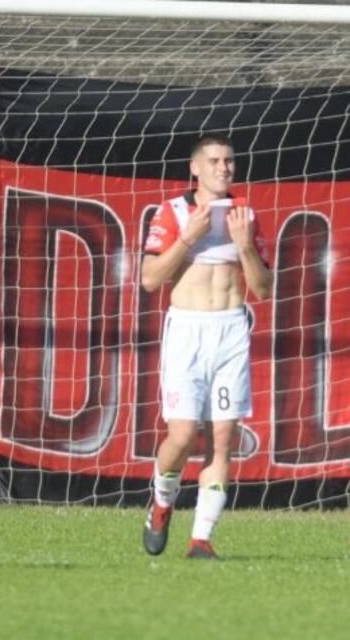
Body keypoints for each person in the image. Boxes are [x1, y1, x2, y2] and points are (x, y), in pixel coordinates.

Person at [140, 132, 272, 559]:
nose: (223, 168)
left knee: (223, 436)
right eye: (214, 161)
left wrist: (246, 246)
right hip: (187, 332)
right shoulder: (175, 212)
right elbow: (150, 279)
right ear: (195, 168)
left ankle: (201, 539)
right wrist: (189, 237)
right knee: (181, 436)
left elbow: (264, 289)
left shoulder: (244, 216)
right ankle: (162, 503)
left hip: (231, 330)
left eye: (229, 161)